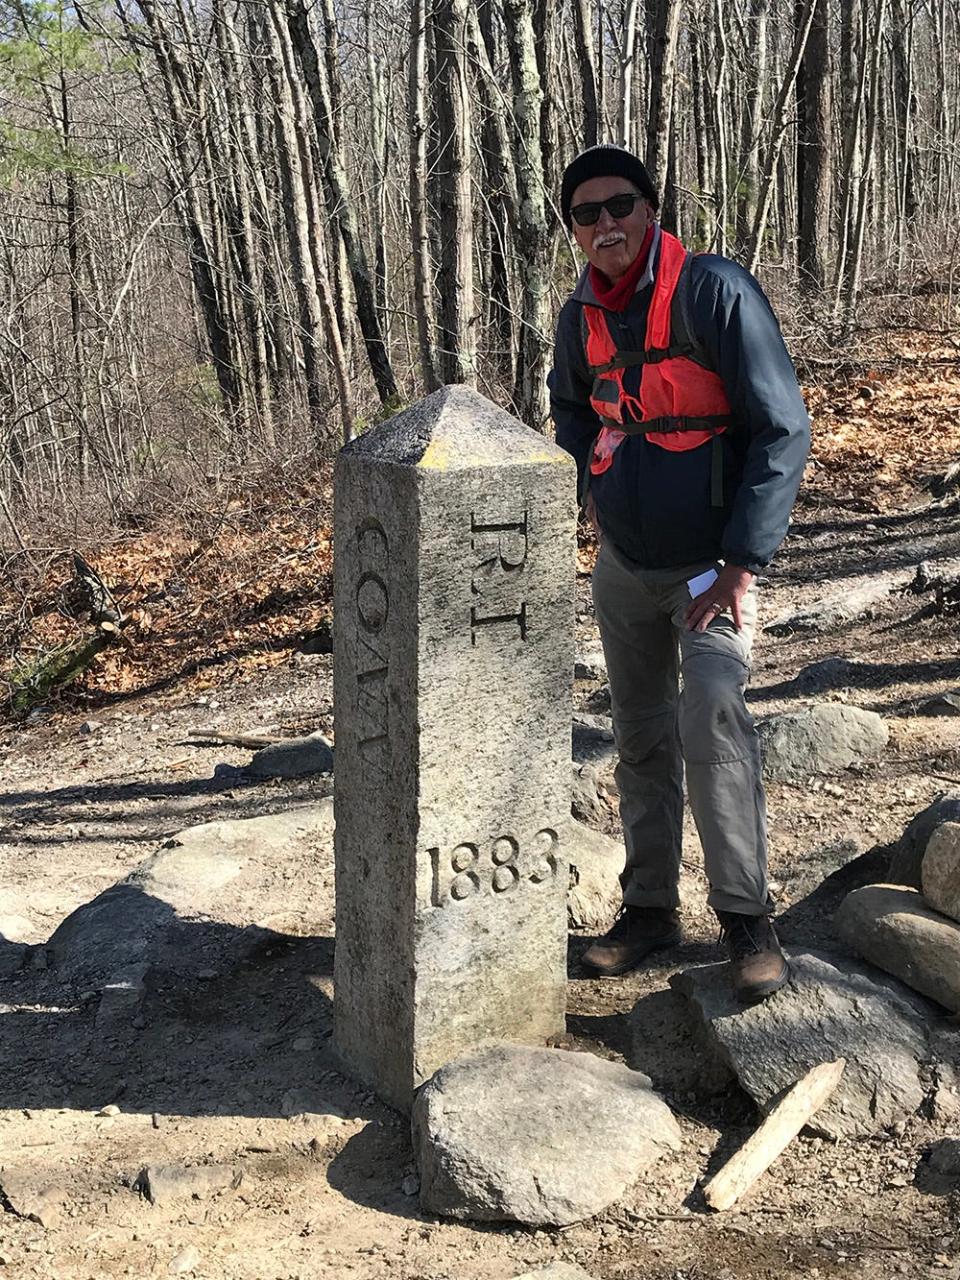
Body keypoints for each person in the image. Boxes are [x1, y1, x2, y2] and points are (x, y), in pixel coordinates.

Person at [549, 144, 810, 1003]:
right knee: (640, 738)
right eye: (586, 214)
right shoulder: (576, 315)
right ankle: (650, 909)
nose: (605, 225)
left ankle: (746, 922)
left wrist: (744, 563)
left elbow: (781, 430)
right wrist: (597, 482)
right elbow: (571, 412)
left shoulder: (714, 290)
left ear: (650, 209)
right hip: (624, 568)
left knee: (713, 722)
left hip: (713, 572)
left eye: (619, 205)